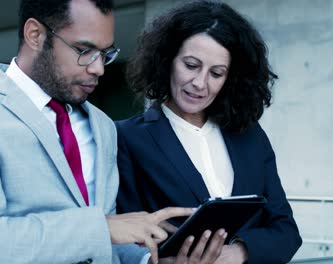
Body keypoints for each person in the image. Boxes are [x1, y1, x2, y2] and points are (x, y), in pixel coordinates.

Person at [0, 0, 228, 263]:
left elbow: (104, 246)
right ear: (35, 35)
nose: (99, 68)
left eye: (106, 54)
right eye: (85, 50)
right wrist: (104, 227)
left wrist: (151, 260)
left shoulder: (103, 126)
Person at [116, 1, 303, 263]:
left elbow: (286, 230)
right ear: (167, 60)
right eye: (191, 65)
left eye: (216, 73)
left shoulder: (249, 135)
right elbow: (124, 237)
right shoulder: (127, 138)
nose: (200, 83)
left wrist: (237, 253)